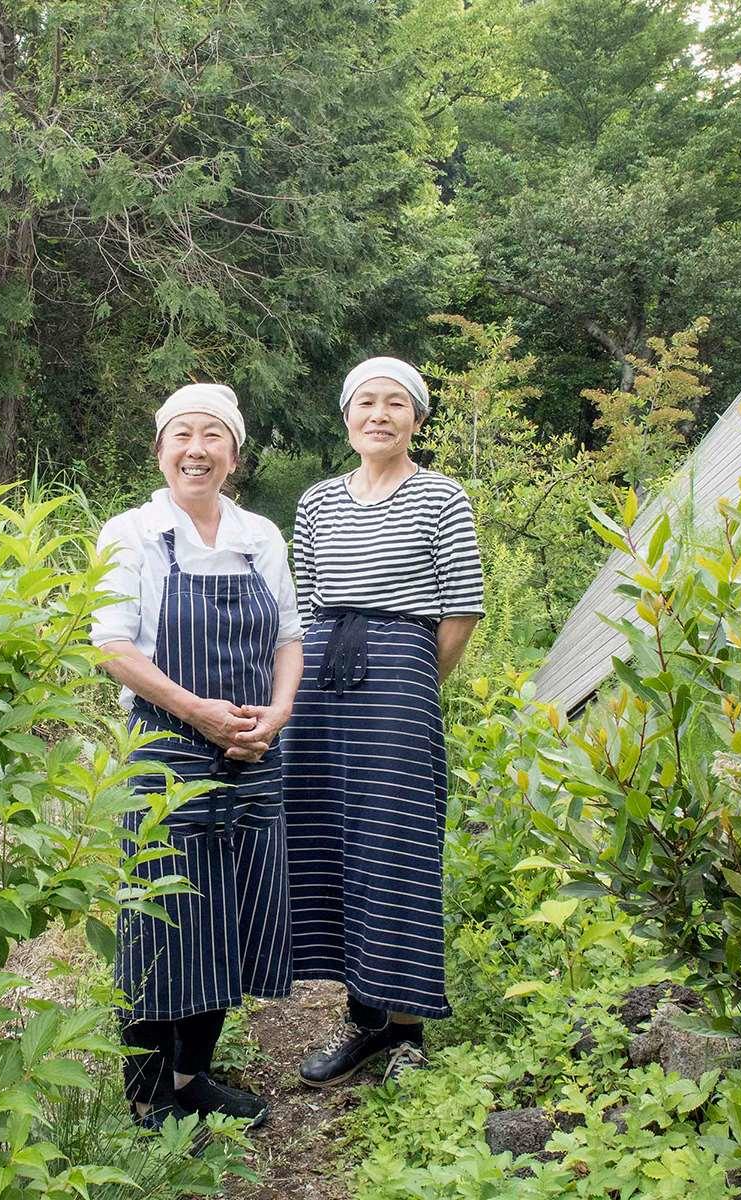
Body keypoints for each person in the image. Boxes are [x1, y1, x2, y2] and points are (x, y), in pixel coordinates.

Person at [92, 383, 305, 1127]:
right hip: (165, 752)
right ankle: (147, 1098)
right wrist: (198, 713)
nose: (197, 448)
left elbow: (287, 639)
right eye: (182, 434)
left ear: (234, 455)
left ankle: (193, 1080)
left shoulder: (261, 536)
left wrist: (275, 715)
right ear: (160, 450)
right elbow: (113, 647)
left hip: (253, 753)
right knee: (161, 920)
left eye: (213, 435)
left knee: (232, 918)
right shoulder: (132, 534)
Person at [282, 355, 484, 1086]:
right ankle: (362, 1022)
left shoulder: (442, 497)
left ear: (417, 419)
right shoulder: (317, 502)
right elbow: (304, 602)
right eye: (365, 402)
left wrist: (411, 685)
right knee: (332, 840)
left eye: (395, 403)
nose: (379, 414)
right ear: (346, 417)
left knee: (394, 846)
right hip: (322, 680)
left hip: (399, 679)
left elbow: (461, 608)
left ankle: (406, 1033)